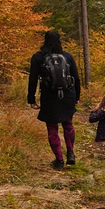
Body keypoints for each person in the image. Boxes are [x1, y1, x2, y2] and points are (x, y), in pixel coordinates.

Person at [28, 30, 81, 170]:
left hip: (49, 97)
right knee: (68, 124)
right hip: (68, 95)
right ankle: (70, 153)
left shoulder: (38, 57)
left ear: (45, 40)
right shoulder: (67, 56)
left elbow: (33, 80)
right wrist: (77, 97)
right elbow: (76, 78)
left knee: (52, 128)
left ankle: (59, 160)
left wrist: (31, 99)